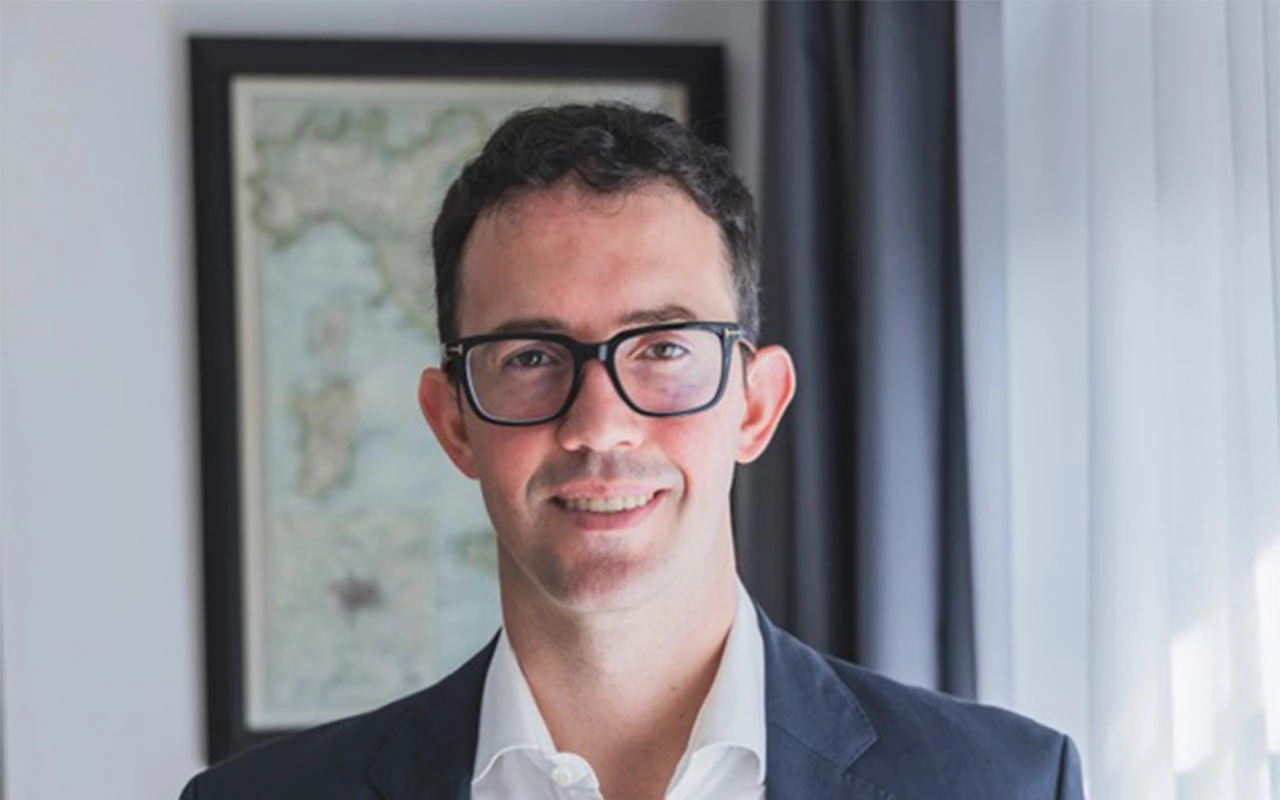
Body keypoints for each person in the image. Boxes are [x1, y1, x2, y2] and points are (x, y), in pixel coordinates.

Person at [180, 103, 1083, 800]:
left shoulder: (1003, 785)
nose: (599, 425)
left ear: (756, 404)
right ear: (453, 421)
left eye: (662, 349)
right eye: (530, 357)